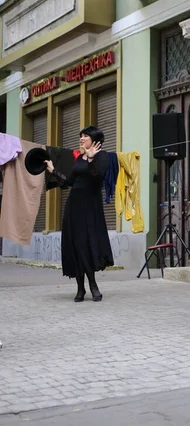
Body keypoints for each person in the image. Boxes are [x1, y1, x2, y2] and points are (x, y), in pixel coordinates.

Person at [45, 126, 114, 302]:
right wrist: (53, 171)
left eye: (85, 136)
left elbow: (98, 178)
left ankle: (93, 286)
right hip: (73, 206)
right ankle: (80, 288)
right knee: (75, 245)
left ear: (94, 139)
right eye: (81, 136)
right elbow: (69, 182)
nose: (81, 139)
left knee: (86, 244)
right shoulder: (79, 159)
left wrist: (91, 159)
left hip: (90, 207)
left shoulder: (102, 157)